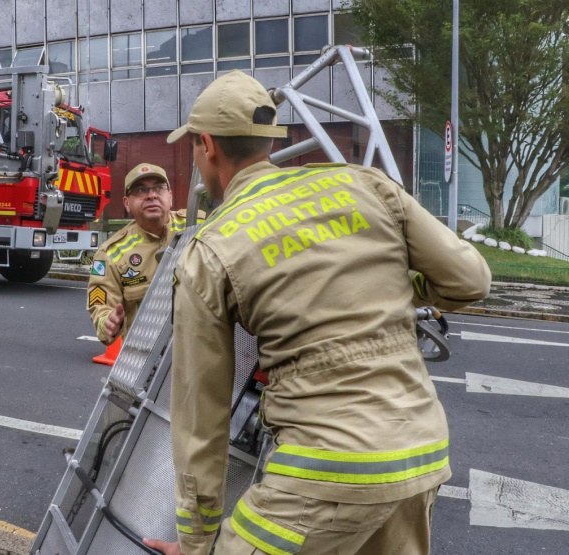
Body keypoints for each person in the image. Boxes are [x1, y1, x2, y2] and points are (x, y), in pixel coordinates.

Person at [143, 71, 491, 555]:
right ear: (268, 138)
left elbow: (201, 416)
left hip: (324, 470)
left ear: (207, 145)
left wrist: (198, 542)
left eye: (194, 148)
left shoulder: (210, 250)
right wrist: (398, 289)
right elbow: (470, 280)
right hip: (421, 451)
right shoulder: (365, 184)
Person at [87, 163, 189, 345]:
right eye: (141, 190)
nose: (151, 195)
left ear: (170, 196)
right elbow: (100, 304)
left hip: (197, 349)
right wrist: (107, 322)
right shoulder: (111, 253)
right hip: (147, 353)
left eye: (159, 188)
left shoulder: (197, 225)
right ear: (127, 203)